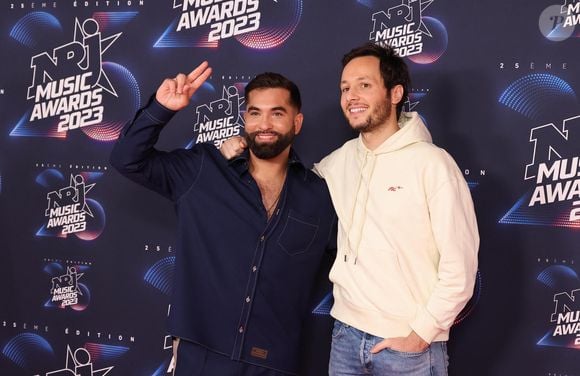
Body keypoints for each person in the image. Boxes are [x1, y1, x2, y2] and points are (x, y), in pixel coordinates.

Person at [221, 43, 479, 375]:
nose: (351, 96)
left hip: (407, 347)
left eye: (364, 85)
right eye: (345, 88)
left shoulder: (434, 165)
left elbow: (460, 267)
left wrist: (421, 334)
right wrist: (237, 151)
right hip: (345, 335)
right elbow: (284, 184)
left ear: (395, 92)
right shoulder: (339, 161)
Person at [110, 62, 336, 376]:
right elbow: (126, 159)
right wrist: (160, 109)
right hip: (202, 357)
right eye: (255, 113)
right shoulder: (204, 170)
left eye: (277, 113)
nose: (264, 124)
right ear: (245, 118)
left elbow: (362, 261)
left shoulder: (320, 197)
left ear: (296, 122)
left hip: (274, 363)